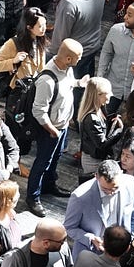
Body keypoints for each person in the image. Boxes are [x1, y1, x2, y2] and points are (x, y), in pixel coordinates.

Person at [28, 39, 84, 209]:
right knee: (42, 163)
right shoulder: (47, 80)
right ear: (68, 58)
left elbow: (67, 86)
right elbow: (38, 111)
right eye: (78, 57)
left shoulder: (67, 69)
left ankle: (48, 186)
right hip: (51, 130)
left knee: (55, 158)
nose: (80, 60)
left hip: (62, 126)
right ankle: (33, 197)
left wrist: (79, 83)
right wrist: (52, 130)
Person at [66, 162, 134, 256]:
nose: (111, 193)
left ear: (121, 173)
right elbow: (69, 227)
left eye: (115, 188)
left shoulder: (130, 183)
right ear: (96, 177)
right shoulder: (80, 197)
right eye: (105, 189)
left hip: (121, 254)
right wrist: (91, 239)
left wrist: (131, 241)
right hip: (90, 254)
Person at [55, 0, 107, 74]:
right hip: (94, 46)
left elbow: (60, 36)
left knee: (75, 87)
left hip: (75, 53)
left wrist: (54, 55)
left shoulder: (68, 3)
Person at [0, 218, 73, 267]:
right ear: (46, 243)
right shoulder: (14, 259)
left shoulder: (63, 250)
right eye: (61, 241)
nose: (64, 243)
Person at [76, 76, 120, 183]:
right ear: (98, 95)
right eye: (108, 93)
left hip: (96, 157)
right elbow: (102, 144)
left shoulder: (100, 109)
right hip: (93, 160)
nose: (110, 95)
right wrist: (119, 131)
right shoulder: (92, 118)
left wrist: (111, 121)